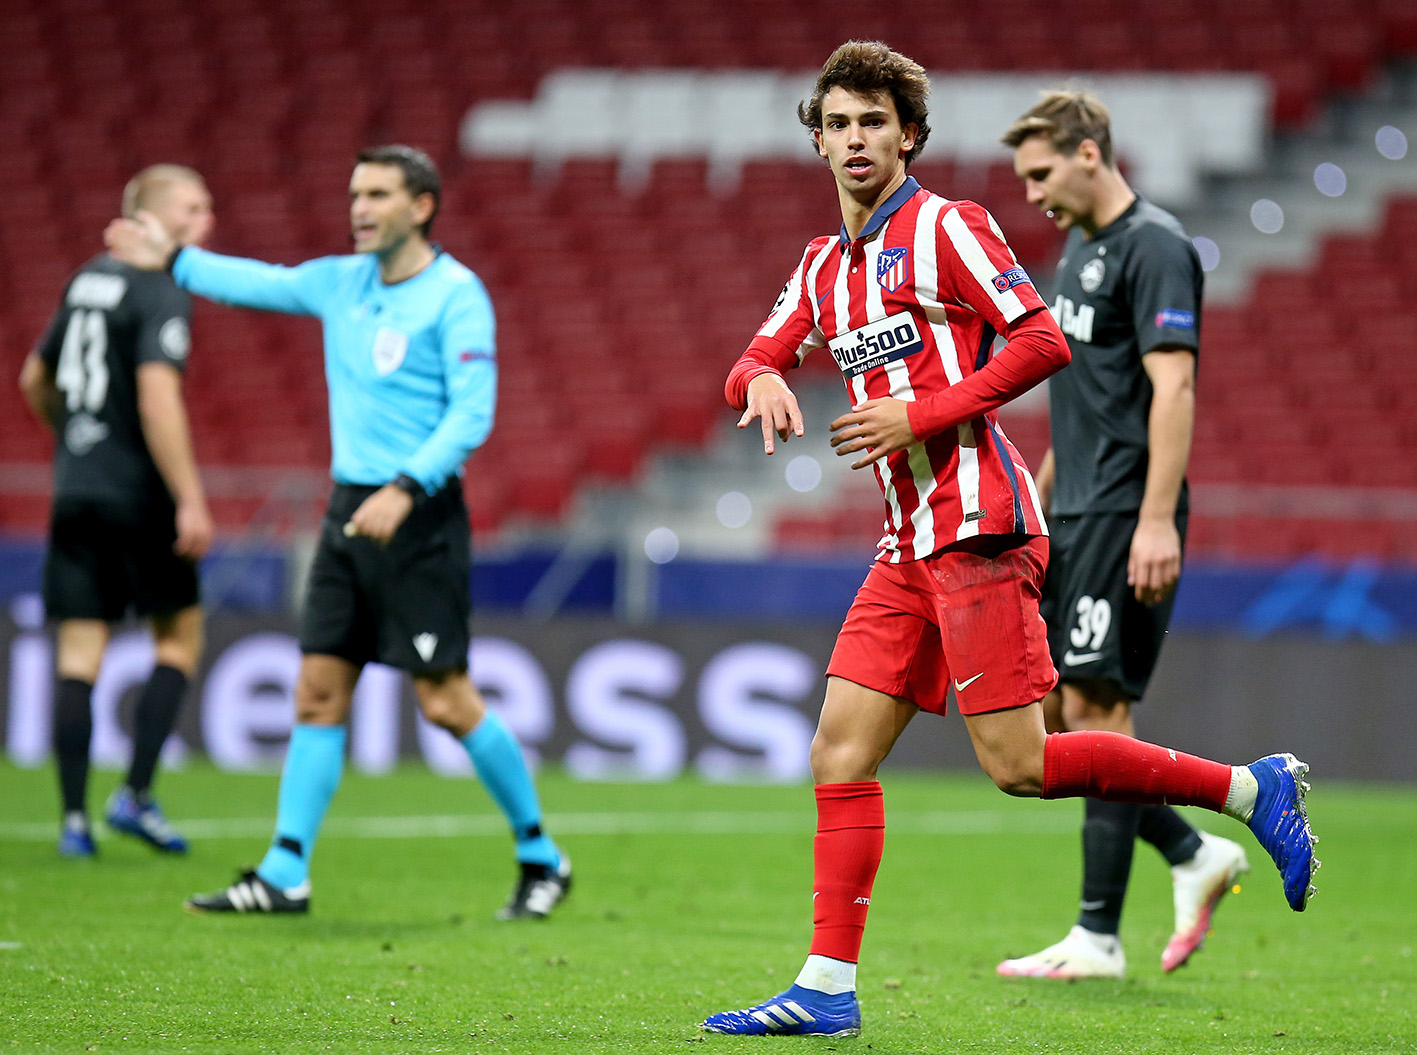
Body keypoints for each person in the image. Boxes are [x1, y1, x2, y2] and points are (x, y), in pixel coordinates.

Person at [699, 41, 1318, 1039]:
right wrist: (761, 377)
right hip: (907, 541)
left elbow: (1039, 336)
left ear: (907, 135)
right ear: (815, 140)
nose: (855, 138)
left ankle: (1252, 788)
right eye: (838, 123)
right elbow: (752, 360)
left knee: (1021, 763)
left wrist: (921, 412)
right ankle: (823, 984)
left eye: (874, 122)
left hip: (983, 526)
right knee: (838, 752)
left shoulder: (950, 226)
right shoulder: (821, 267)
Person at [105, 145, 570, 920]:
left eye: (378, 194)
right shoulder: (340, 282)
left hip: (418, 516)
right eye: (354, 192)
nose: (358, 207)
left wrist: (405, 486)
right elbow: (258, 281)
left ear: (420, 206)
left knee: (446, 701)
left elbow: (471, 413)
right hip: (348, 509)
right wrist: (175, 259)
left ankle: (540, 855)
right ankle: (285, 871)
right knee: (318, 691)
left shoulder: (456, 295)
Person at [993, 90, 1247, 981]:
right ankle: (1190, 850)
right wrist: (1039, 502)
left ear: (1089, 153)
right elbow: (1085, 401)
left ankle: (1097, 935)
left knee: (1097, 706)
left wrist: (1151, 518)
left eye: (1040, 172)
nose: (1031, 193)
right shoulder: (1078, 249)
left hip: (1122, 513)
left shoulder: (1155, 247)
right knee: (1058, 714)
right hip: (1072, 510)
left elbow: (1171, 390)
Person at [19, 164, 216, 858]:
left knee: (79, 656)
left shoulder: (84, 282)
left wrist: (76, 441)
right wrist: (189, 495)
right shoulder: (159, 288)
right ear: (153, 214)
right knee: (179, 638)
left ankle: (74, 821)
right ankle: (135, 794)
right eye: (193, 207)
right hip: (139, 494)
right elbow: (159, 398)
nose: (207, 219)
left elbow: (33, 379)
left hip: (75, 490)